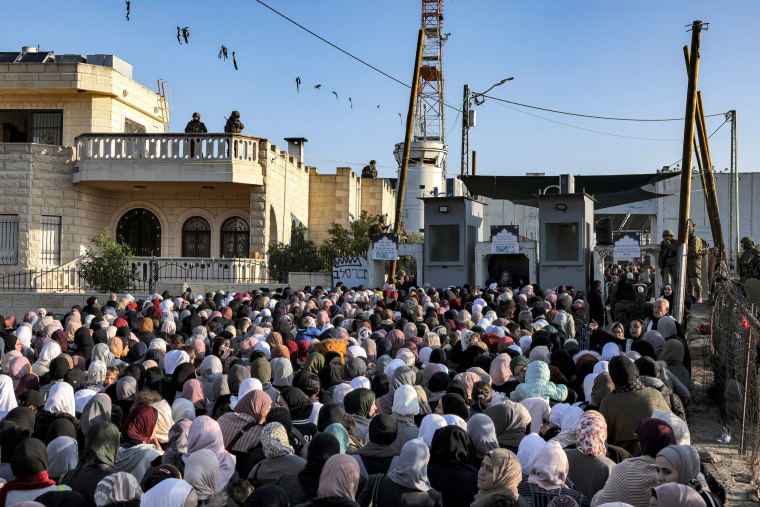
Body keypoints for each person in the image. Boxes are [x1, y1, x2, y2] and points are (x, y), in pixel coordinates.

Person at [686, 226, 709, 302]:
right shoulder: (686, 240)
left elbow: (694, 250)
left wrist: (684, 247)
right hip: (687, 260)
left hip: (694, 261)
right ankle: (691, 296)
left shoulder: (695, 239)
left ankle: (699, 296)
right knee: (688, 281)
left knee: (695, 280)